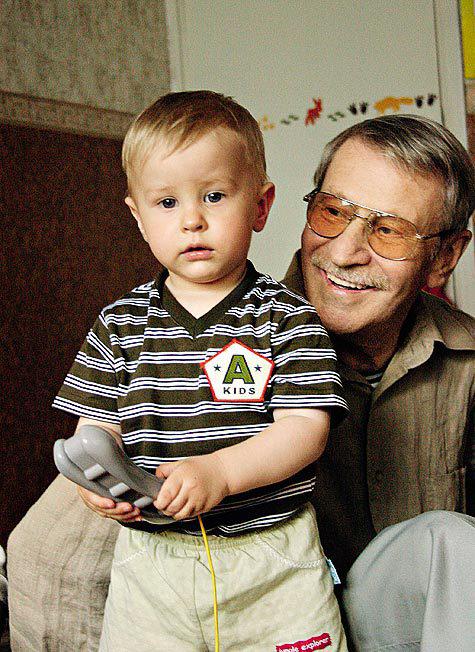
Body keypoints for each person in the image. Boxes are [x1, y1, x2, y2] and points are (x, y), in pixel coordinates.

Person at [7, 114, 475, 651]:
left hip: (357, 614)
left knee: (453, 541)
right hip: (218, 600)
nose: (345, 253)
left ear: (445, 256)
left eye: (388, 230)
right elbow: (48, 558)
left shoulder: (465, 366)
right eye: (332, 212)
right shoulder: (180, 347)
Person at [50, 90, 349, 651]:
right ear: (138, 218)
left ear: (260, 206)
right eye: (166, 203)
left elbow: (305, 430)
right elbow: (97, 428)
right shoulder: (120, 323)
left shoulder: (286, 317)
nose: (192, 220)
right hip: (152, 560)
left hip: (271, 558)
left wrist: (221, 474)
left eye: (214, 196)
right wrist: (98, 482)